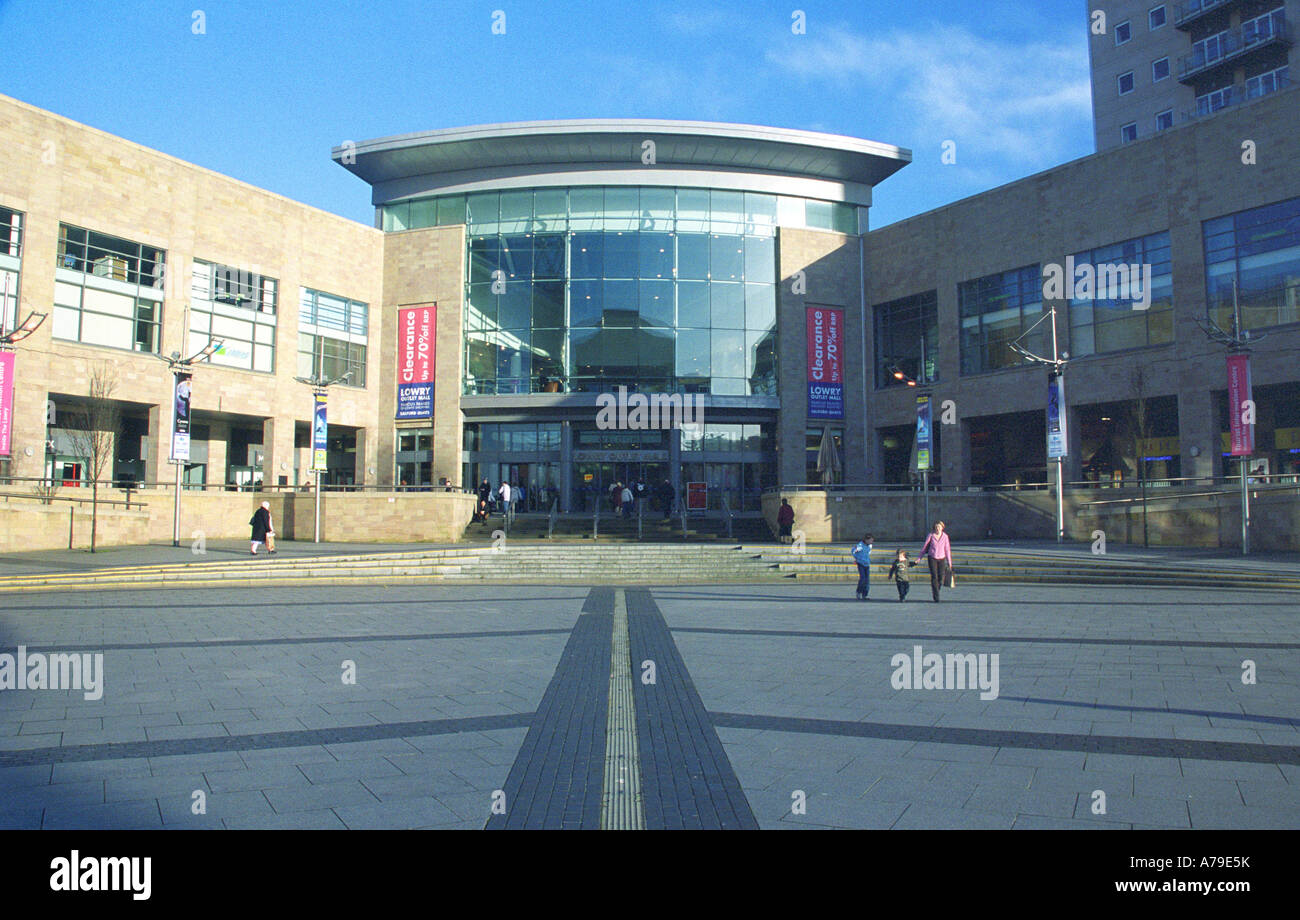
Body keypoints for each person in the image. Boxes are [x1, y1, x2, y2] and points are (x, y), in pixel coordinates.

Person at [920, 520, 954, 603]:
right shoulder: (931, 535)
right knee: (934, 576)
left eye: (939, 527)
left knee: (940, 577)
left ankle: (936, 589)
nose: (938, 528)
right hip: (932, 558)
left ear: (942, 527)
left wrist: (949, 562)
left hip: (941, 558)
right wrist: (919, 558)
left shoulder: (945, 537)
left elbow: (947, 549)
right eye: (936, 527)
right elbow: (925, 547)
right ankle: (936, 596)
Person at [851, 532, 873, 601]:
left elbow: (868, 552)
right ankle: (858, 592)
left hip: (867, 564)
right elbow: (853, 551)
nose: (871, 542)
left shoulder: (870, 546)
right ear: (866, 540)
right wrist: (857, 558)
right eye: (870, 540)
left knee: (867, 580)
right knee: (862, 578)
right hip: (861, 564)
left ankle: (865, 594)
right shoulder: (860, 545)